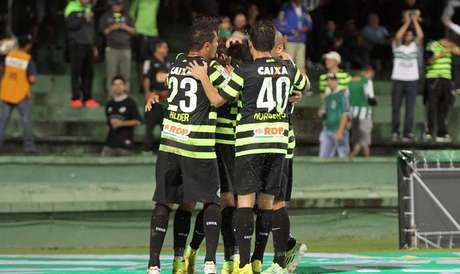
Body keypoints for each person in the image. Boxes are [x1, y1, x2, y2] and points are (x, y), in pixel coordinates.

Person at [187, 20, 307, 274]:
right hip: (278, 142)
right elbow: (304, 84)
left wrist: (203, 77)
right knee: (269, 203)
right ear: (275, 46)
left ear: (251, 45)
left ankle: (242, 264)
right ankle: (264, 261)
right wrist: (292, 72)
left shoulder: (244, 72)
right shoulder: (287, 68)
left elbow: (218, 100)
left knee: (244, 203)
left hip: (249, 142)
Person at [145, 17, 226, 274]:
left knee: (165, 202)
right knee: (212, 202)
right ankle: (210, 263)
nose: (217, 45)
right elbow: (223, 97)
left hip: (170, 143)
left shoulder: (177, 63)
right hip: (198, 146)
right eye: (214, 42)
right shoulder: (211, 69)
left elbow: (174, 92)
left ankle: (156, 264)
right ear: (204, 46)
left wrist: (157, 95)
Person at [183, 39, 252, 274]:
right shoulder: (217, 73)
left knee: (229, 203)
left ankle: (221, 255)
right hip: (219, 144)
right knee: (224, 201)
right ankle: (206, 253)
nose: (223, 57)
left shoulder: (244, 74)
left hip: (238, 145)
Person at [250, 30, 309, 274]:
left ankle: (281, 259)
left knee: (274, 201)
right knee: (253, 202)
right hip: (258, 140)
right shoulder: (265, 64)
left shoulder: (284, 63)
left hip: (280, 141)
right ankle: (288, 244)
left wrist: (300, 89)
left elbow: (304, 82)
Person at [0, 34, 37, 153]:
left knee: (2, 121)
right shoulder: (27, 59)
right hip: (21, 95)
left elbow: (3, 70)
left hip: (7, 93)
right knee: (26, 120)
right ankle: (29, 147)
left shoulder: (9, 56)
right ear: (28, 46)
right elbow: (32, 79)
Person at [391, 12, 424, 142]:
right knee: (396, 108)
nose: (408, 36)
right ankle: (395, 132)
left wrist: (414, 21)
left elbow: (420, 36)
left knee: (410, 108)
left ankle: (407, 133)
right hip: (398, 80)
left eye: (410, 35)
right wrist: (407, 22)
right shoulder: (397, 46)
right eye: (407, 35)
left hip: (412, 81)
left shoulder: (414, 47)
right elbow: (398, 35)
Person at [424, 31, 460, 142]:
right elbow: (428, 61)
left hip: (446, 80)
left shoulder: (452, 47)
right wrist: (442, 53)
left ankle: (441, 133)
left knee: (444, 108)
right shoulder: (432, 45)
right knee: (432, 107)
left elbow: (457, 51)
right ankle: (429, 133)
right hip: (434, 79)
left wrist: (451, 48)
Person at [65, 0, 100, 108]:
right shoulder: (71, 7)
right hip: (76, 45)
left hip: (88, 45)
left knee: (89, 73)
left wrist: (93, 45)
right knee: (76, 73)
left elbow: (91, 30)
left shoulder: (88, 8)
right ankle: (75, 98)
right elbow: (70, 25)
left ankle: (88, 98)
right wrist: (83, 18)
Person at [99, 0, 136, 96]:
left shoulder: (127, 16)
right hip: (112, 48)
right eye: (115, 4)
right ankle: (111, 98)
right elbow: (104, 32)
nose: (117, 6)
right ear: (112, 5)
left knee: (126, 75)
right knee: (111, 75)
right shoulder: (106, 16)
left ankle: (125, 97)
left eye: (119, 4)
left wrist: (124, 27)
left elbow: (134, 31)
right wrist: (113, 27)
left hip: (126, 48)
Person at [101, 75, 141, 156]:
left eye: (120, 84)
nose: (118, 87)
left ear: (125, 86)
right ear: (112, 87)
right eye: (115, 84)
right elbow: (109, 124)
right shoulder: (109, 104)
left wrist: (121, 123)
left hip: (125, 144)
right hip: (110, 144)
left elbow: (137, 121)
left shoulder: (130, 102)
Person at [142, 40, 170, 152]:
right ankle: (147, 149)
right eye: (165, 47)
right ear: (158, 48)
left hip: (166, 99)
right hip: (154, 96)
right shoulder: (150, 62)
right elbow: (146, 77)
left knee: (166, 126)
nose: (167, 50)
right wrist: (147, 93)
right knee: (150, 125)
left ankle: (165, 150)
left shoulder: (168, 63)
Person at [275, 0, 313, 73]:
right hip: (290, 39)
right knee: (289, 62)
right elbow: (279, 23)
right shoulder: (286, 7)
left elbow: (310, 23)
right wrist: (291, 31)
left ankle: (302, 83)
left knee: (301, 64)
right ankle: (288, 82)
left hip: (301, 39)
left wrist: (302, 29)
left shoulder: (303, 9)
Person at [130, 0, 160, 90]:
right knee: (141, 60)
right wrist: (134, 28)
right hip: (140, 31)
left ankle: (152, 83)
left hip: (153, 32)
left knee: (154, 60)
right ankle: (142, 84)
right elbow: (131, 13)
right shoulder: (137, 1)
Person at [319, 73, 350, 158]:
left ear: (336, 81)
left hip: (339, 131)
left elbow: (345, 115)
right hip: (328, 130)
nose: (329, 82)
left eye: (332, 80)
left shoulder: (342, 95)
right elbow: (323, 113)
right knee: (324, 158)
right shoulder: (328, 96)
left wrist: (340, 131)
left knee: (343, 157)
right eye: (328, 80)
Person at [349, 66, 377, 158]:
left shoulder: (350, 82)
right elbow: (370, 97)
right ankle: (353, 155)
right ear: (367, 72)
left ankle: (366, 157)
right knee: (364, 138)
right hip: (365, 114)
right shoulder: (367, 82)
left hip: (354, 114)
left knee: (358, 138)